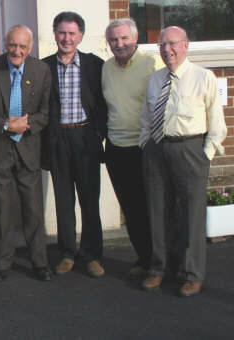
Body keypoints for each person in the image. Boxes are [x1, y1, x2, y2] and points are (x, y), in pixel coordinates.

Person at [139, 26, 226, 297]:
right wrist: (145, 143)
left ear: (186, 45)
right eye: (162, 45)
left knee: (191, 214)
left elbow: (217, 124)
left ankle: (192, 274)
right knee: (158, 211)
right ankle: (159, 268)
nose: (167, 50)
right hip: (156, 150)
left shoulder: (203, 77)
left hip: (189, 150)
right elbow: (145, 116)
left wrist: (205, 154)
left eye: (173, 44)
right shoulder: (154, 80)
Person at [0, 25, 52, 282]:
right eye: (12, 45)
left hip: (27, 148)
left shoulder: (41, 70)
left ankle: (39, 262)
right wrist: (7, 125)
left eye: (22, 46)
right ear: (4, 44)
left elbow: (45, 113)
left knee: (33, 210)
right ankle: (0, 263)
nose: (16, 50)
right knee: (0, 210)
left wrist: (25, 125)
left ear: (29, 48)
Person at [42, 12, 107, 278]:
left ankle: (91, 255)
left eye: (71, 33)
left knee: (90, 200)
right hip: (58, 139)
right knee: (64, 200)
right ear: (55, 34)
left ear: (80, 35)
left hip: (85, 139)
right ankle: (67, 253)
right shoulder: (43, 66)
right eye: (61, 32)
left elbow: (104, 103)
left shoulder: (95, 65)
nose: (66, 38)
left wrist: (97, 134)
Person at [102, 18, 164, 278]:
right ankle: (144, 257)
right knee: (131, 208)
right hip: (116, 149)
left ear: (135, 38)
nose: (120, 44)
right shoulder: (106, 68)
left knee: (152, 207)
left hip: (145, 147)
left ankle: (162, 262)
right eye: (114, 40)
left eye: (124, 38)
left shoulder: (152, 64)